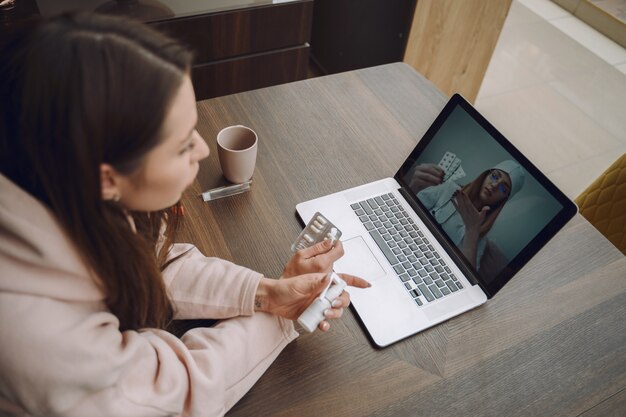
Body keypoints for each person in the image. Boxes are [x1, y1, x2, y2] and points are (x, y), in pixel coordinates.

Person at [0, 12, 369, 417]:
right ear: (107, 178)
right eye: (180, 146)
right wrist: (281, 320)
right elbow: (172, 393)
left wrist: (266, 293)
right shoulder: (36, 334)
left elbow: (153, 263)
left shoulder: (56, 179)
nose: (203, 149)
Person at [408, 160, 525, 269]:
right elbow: (408, 208)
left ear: (504, 199)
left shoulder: (479, 238)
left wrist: (472, 231)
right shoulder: (449, 189)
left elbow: (468, 275)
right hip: (411, 242)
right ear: (485, 175)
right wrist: (413, 187)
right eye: (494, 176)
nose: (494, 185)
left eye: (502, 188)